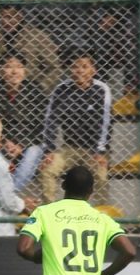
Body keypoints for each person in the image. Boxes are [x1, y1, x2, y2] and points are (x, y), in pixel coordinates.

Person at [40, 53, 112, 203]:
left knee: (101, 175)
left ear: (93, 70)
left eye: (84, 66)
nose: (79, 70)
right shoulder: (61, 90)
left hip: (93, 149)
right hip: (69, 147)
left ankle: (102, 209)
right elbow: (50, 120)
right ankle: (49, 208)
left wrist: (100, 151)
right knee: (47, 170)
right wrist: (49, 150)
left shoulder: (101, 89)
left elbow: (106, 121)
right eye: (75, 66)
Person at [0, 55, 48, 192]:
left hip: (32, 140)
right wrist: (5, 141)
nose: (14, 72)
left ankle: (9, 194)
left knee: (31, 154)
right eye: (9, 67)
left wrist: (21, 144)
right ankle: (8, 197)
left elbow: (42, 125)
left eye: (19, 67)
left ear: (25, 70)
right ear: (1, 70)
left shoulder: (36, 91)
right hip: (5, 141)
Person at [0, 6, 62, 92]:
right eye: (1, 17)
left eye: (9, 17)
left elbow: (54, 67)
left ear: (19, 17)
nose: (5, 21)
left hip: (31, 88)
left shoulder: (37, 36)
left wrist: (41, 88)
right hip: (0, 88)